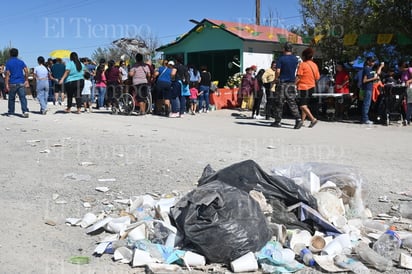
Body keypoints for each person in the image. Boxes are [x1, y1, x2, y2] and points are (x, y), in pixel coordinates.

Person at [272, 42, 303, 129]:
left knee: (279, 102)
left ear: (283, 49)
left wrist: (276, 79)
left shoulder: (281, 59)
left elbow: (278, 71)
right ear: (291, 50)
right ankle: (298, 119)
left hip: (282, 83)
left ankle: (277, 121)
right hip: (291, 83)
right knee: (292, 102)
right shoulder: (295, 59)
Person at [296, 47, 320, 128]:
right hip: (312, 87)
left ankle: (313, 119)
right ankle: (302, 121)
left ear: (304, 56)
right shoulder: (315, 65)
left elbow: (299, 77)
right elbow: (317, 77)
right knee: (305, 105)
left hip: (303, 87)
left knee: (302, 105)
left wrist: (293, 84)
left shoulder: (302, 64)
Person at [4, 48, 30, 117]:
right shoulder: (21, 62)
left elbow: (7, 73)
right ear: (17, 54)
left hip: (12, 82)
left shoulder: (8, 62)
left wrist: (6, 84)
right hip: (21, 82)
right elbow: (26, 70)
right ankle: (25, 111)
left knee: (11, 98)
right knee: (22, 97)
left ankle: (11, 112)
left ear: (10, 54)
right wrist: (26, 80)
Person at [361, 57, 381, 124]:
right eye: (372, 61)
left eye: (374, 61)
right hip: (367, 88)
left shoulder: (370, 69)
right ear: (368, 62)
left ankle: (364, 118)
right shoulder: (366, 69)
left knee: (368, 104)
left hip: (370, 88)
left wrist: (380, 67)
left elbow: (377, 73)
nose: (373, 63)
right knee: (366, 104)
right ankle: (365, 119)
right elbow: (364, 80)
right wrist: (373, 79)